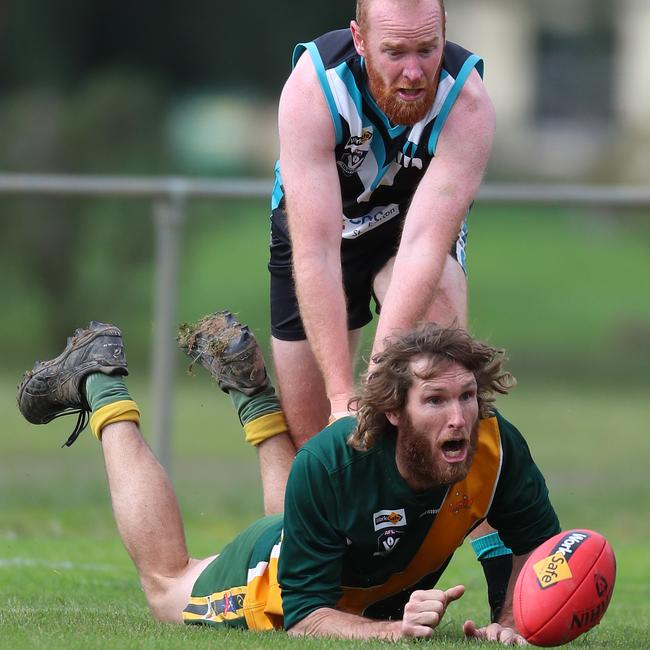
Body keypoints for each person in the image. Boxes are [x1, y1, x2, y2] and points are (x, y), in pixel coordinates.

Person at [17, 312, 559, 643]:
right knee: (166, 589)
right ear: (394, 411)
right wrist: (394, 630)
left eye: (467, 395)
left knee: (301, 512)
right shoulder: (332, 464)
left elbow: (535, 548)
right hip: (274, 574)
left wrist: (510, 620)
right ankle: (100, 380)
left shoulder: (495, 444)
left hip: (321, 544)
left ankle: (253, 397)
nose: (460, 416)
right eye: (435, 400)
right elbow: (304, 618)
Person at [269, 0, 496, 442]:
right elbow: (315, 251)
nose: (413, 73)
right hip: (325, 231)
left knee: (437, 374)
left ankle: (450, 503)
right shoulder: (314, 88)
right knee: (312, 439)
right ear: (360, 40)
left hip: (408, 232)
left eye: (427, 49)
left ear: (444, 33)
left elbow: (424, 246)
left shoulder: (466, 102)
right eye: (394, 52)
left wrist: (374, 389)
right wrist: (340, 401)